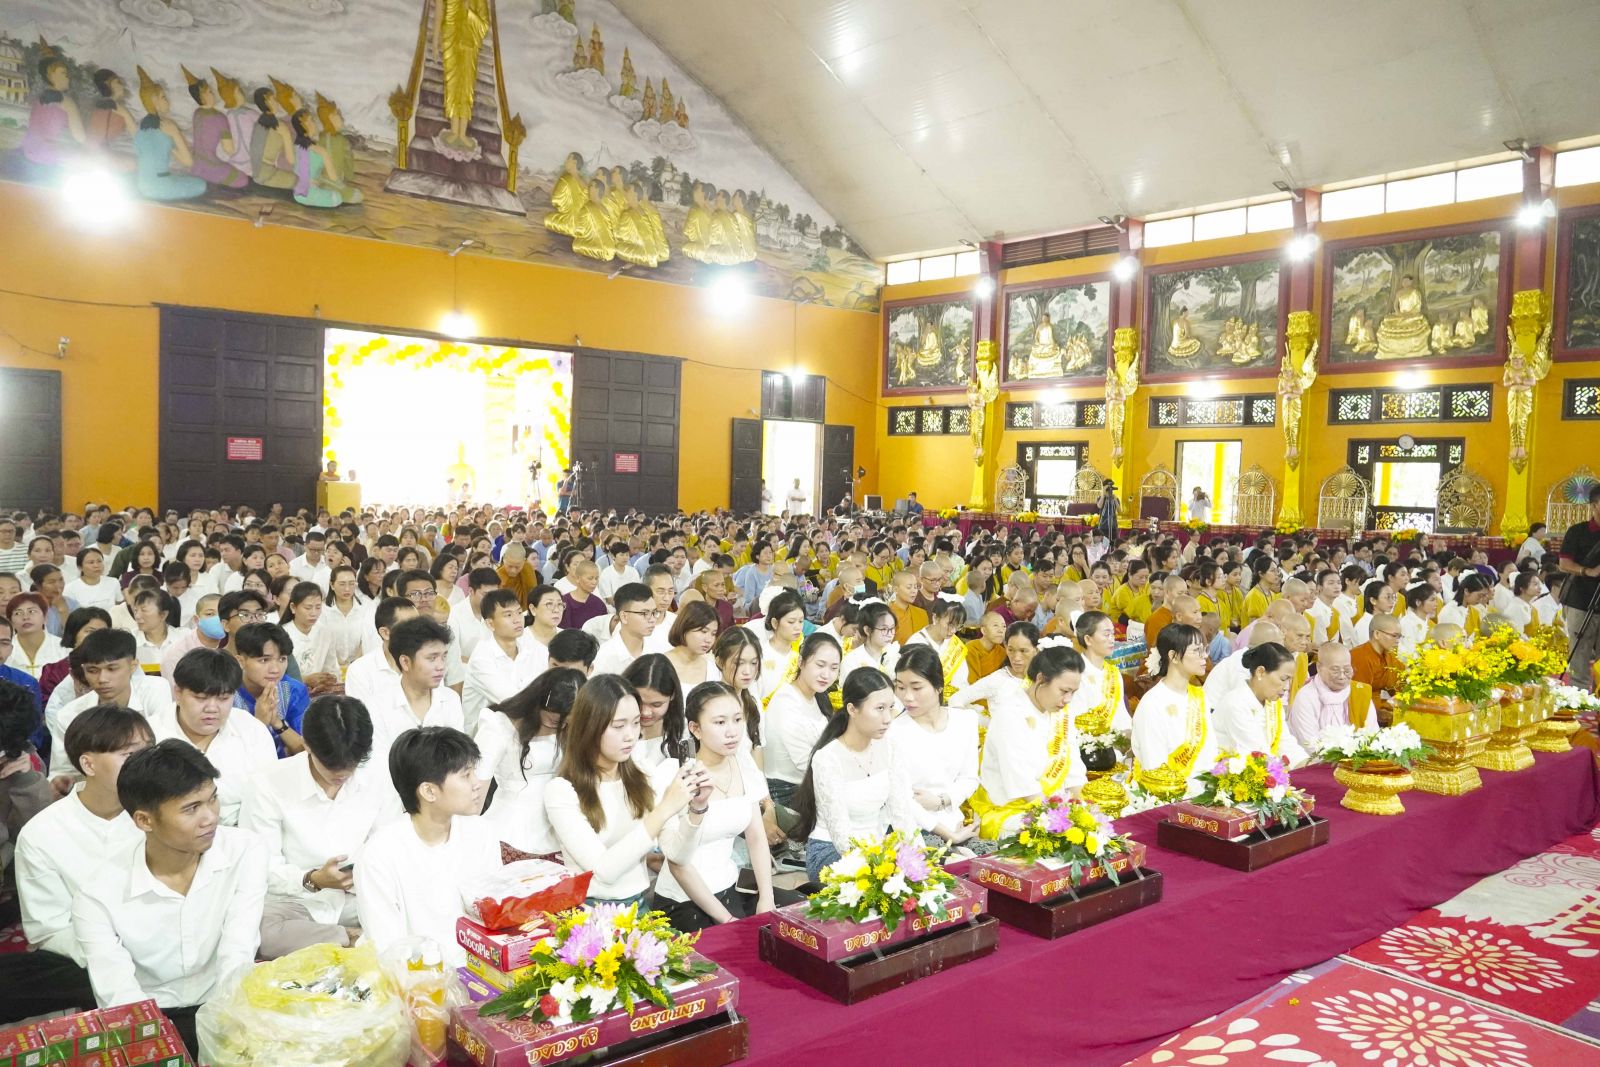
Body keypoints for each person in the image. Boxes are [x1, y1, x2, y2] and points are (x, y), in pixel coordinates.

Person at [71, 740, 269, 1056]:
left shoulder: (245, 850)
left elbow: (238, 947)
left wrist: (228, 1029)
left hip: (222, 1002)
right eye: (191, 808)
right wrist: (158, 1048)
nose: (210, 817)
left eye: (213, 799)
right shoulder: (98, 894)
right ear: (144, 820)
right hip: (150, 1013)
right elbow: (118, 992)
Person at [6, 706, 152, 1022]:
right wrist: (114, 952)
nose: (144, 764)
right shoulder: (42, 833)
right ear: (88, 764)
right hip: (88, 952)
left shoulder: (162, 812)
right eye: (129, 755)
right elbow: (49, 928)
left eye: (148, 752)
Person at [544, 675, 710, 905]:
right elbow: (604, 871)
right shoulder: (562, 791)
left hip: (639, 906)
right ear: (589, 727)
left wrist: (697, 809)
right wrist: (664, 810)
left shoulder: (644, 773)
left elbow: (677, 854)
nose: (631, 735)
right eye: (619, 726)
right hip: (589, 910)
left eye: (635, 723)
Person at [244, 695, 386, 958]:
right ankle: (354, 939)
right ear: (306, 745)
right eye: (331, 766)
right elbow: (262, 868)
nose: (341, 774)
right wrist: (313, 880)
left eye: (351, 765)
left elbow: (389, 846)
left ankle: (347, 940)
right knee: (258, 930)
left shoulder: (378, 777)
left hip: (360, 898)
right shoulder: (267, 783)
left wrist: (363, 878)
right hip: (298, 902)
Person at [657, 682, 798, 932]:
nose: (732, 731)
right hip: (684, 900)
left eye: (737, 720)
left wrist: (766, 898)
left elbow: (756, 837)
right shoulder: (674, 773)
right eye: (720, 723)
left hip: (731, 887)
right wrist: (728, 920)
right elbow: (678, 864)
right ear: (695, 728)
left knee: (798, 919)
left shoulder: (743, 764)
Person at [355, 727, 500, 966]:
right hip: (414, 978)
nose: (477, 783)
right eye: (466, 775)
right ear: (429, 791)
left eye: (474, 772)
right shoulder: (379, 854)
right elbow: (389, 948)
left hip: (478, 971)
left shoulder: (481, 832)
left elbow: (492, 915)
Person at [791, 667, 920, 880]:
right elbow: (841, 837)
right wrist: (879, 867)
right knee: (884, 884)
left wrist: (917, 860)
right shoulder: (827, 758)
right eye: (879, 708)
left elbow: (902, 813)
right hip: (833, 851)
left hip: (877, 847)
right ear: (852, 709)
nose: (888, 718)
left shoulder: (891, 748)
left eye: (891, 707)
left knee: (916, 877)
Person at [969, 642, 1086, 839]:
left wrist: (1081, 811)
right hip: (1010, 812)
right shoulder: (1010, 714)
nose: (1068, 699)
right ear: (1041, 679)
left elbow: (1073, 769)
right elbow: (1023, 786)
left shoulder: (1060, 712)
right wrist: (1061, 820)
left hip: (1053, 807)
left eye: (1073, 693)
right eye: (1064, 691)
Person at [150, 647, 278, 826]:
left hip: (243, 833)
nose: (212, 708)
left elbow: (269, 799)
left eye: (223, 699)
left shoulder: (251, 729)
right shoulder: (150, 736)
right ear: (178, 693)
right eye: (201, 698)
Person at [475, 668, 584, 853]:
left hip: (561, 830)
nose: (558, 720)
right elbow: (475, 787)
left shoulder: (573, 729)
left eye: (566, 719)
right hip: (510, 832)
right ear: (537, 698)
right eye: (552, 713)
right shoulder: (499, 725)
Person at [888, 646, 980, 849]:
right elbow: (901, 799)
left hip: (954, 819)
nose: (907, 697)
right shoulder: (893, 731)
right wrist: (949, 834)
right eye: (900, 687)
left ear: (938, 686)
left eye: (916, 688)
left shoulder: (965, 721)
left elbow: (970, 777)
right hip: (914, 829)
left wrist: (943, 800)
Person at [49, 628, 169, 784]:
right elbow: (62, 772)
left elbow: (162, 751)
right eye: (92, 670)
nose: (102, 679)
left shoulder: (155, 690)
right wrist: (61, 783)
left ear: (133, 666)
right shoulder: (69, 715)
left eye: (112, 669)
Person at [1131, 623, 1216, 799]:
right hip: (1166, 795)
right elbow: (1154, 765)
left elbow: (1210, 750)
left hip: (1203, 792)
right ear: (1174, 656)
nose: (1204, 657)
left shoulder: (1200, 696)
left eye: (1204, 649)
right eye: (1196, 651)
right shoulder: (1152, 703)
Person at [367, 616, 464, 770]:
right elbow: (379, 767)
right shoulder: (378, 707)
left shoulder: (450, 699)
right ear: (405, 662)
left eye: (444, 657)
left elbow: (458, 758)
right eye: (432, 658)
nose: (441, 666)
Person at [761, 632, 840, 806]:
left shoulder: (818, 696)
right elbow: (804, 761)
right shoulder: (786, 701)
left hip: (812, 783)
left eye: (834, 668)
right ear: (800, 662)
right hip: (786, 792)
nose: (826, 675)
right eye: (820, 665)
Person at [461, 588, 548, 733]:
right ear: (490, 624)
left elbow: (551, 682)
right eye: (508, 615)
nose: (517, 619)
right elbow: (513, 702)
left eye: (519, 612)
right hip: (486, 735)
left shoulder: (531, 645)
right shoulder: (482, 657)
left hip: (527, 728)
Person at [1213, 643, 1310, 766]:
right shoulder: (1235, 704)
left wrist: (1307, 765)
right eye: (1283, 679)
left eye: (1290, 680)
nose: (1287, 687)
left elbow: (1285, 742)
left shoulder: (1273, 703)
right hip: (1231, 773)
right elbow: (1257, 754)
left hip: (1265, 768)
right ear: (1260, 672)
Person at [1559, 484, 1600, 690]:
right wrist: (1588, 571)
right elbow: (1564, 564)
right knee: (1580, 653)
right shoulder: (1577, 532)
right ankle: (1579, 697)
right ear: (1594, 505)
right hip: (1580, 601)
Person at [902, 593, 969, 696]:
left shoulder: (954, 643)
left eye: (958, 626)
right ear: (935, 618)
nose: (953, 630)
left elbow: (961, 679)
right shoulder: (916, 642)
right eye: (950, 624)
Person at [1290, 642, 1357, 745]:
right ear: (1319, 667)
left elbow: (1371, 734)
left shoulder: (1360, 693)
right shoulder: (1306, 697)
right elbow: (1309, 743)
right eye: (1335, 670)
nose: (1342, 676)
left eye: (1347, 670)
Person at [593, 582, 660, 675]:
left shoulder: (658, 648)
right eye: (644, 613)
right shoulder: (605, 657)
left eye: (654, 612)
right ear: (624, 617)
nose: (652, 620)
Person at [1350, 613, 1405, 726]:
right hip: (1362, 713)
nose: (1397, 641)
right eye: (1394, 636)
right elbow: (1358, 699)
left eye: (1399, 636)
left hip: (1381, 707)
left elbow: (1400, 687)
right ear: (1377, 634)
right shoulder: (1360, 657)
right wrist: (1378, 713)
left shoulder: (1389, 656)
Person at [664, 600, 721, 690]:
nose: (709, 640)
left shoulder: (712, 669)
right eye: (704, 631)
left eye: (713, 634)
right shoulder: (661, 665)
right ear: (685, 627)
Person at [841, 599, 898, 679]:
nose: (890, 634)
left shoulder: (894, 654)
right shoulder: (852, 660)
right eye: (884, 629)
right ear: (867, 630)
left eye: (892, 628)